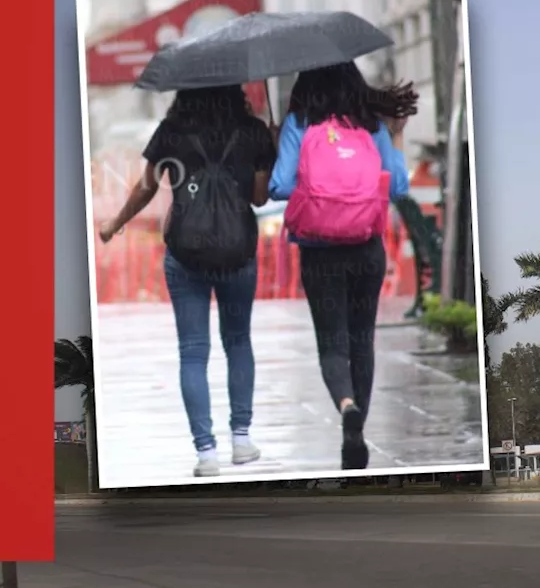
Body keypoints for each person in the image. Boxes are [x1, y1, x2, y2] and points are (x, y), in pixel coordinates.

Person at [99, 85, 275, 478]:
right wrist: (270, 149)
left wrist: (115, 223)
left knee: (193, 352)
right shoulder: (253, 131)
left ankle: (206, 452)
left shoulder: (172, 130)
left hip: (186, 252)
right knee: (238, 342)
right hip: (238, 251)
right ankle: (242, 440)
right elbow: (261, 199)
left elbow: (146, 187)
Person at [269, 61, 414, 470]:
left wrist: (279, 143)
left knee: (332, 343)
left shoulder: (300, 123)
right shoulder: (370, 124)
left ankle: (346, 405)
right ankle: (358, 431)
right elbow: (398, 186)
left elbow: (279, 187)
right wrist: (397, 134)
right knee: (362, 341)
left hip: (319, 251)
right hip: (367, 248)